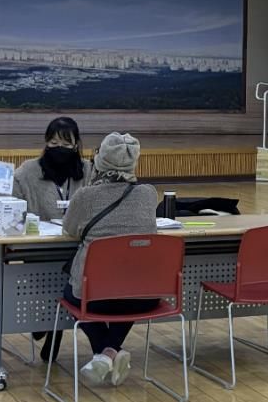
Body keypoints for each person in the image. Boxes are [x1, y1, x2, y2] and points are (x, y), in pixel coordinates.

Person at [63, 132, 159, 387]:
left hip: (94, 295)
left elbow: (70, 230)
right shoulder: (148, 194)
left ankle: (104, 353)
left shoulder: (85, 196)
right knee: (131, 287)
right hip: (144, 295)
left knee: (71, 294)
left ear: (100, 160)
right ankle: (110, 351)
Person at [13, 116, 91, 361]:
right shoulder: (27, 172)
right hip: (38, 248)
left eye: (66, 145)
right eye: (54, 143)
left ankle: (53, 331)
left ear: (76, 145)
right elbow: (13, 206)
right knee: (55, 281)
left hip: (78, 246)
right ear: (46, 143)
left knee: (72, 280)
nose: (59, 149)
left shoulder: (88, 170)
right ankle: (46, 324)